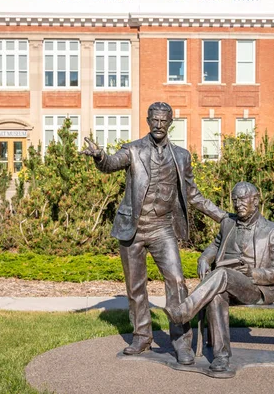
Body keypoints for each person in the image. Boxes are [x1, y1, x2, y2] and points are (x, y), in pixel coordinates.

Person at [81, 102, 227, 366]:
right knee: (135, 287)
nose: (159, 125)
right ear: (148, 120)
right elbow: (111, 164)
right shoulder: (133, 150)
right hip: (133, 229)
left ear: (171, 122)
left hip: (162, 228)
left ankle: (181, 342)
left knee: (177, 281)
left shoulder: (181, 156)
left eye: (164, 120)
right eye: (154, 120)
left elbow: (193, 195)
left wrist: (223, 217)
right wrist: (100, 156)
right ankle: (142, 336)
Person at [164, 182, 274, 372]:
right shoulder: (228, 223)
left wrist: (254, 273)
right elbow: (215, 245)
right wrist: (204, 258)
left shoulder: (272, 231)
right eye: (235, 200)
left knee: (221, 274)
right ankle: (221, 357)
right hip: (225, 284)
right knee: (216, 295)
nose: (238, 204)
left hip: (255, 288)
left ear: (255, 200)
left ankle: (184, 311)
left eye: (242, 199)